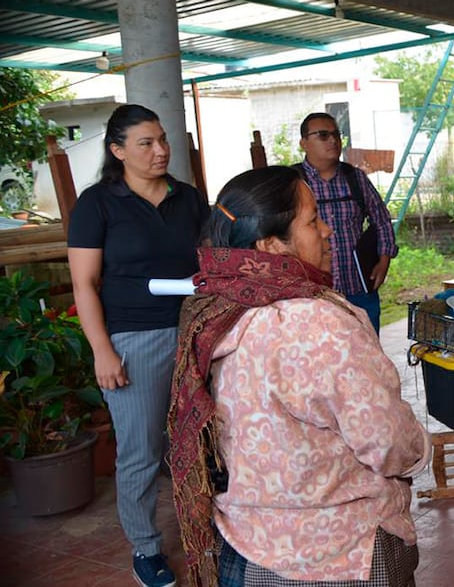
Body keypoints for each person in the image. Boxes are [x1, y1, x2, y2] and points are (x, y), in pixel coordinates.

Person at [168, 166, 430, 587]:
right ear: (272, 246)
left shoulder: (214, 313)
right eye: (312, 221)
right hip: (342, 554)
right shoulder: (323, 323)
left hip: (247, 547)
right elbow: (386, 441)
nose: (327, 231)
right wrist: (421, 450)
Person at [68, 104, 209, 587]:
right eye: (146, 143)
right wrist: (102, 350)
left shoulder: (188, 198)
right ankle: (146, 548)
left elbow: (210, 262)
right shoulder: (98, 203)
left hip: (194, 330)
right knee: (142, 449)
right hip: (134, 337)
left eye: (163, 139)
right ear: (118, 150)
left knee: (204, 436)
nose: (161, 150)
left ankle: (213, 526)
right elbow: (84, 284)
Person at [295, 112, 397, 333]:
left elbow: (381, 220)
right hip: (313, 293)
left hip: (359, 288)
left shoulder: (356, 179)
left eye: (336, 135)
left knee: (368, 358)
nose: (332, 140)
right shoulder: (293, 183)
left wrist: (384, 260)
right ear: (304, 143)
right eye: (323, 135)